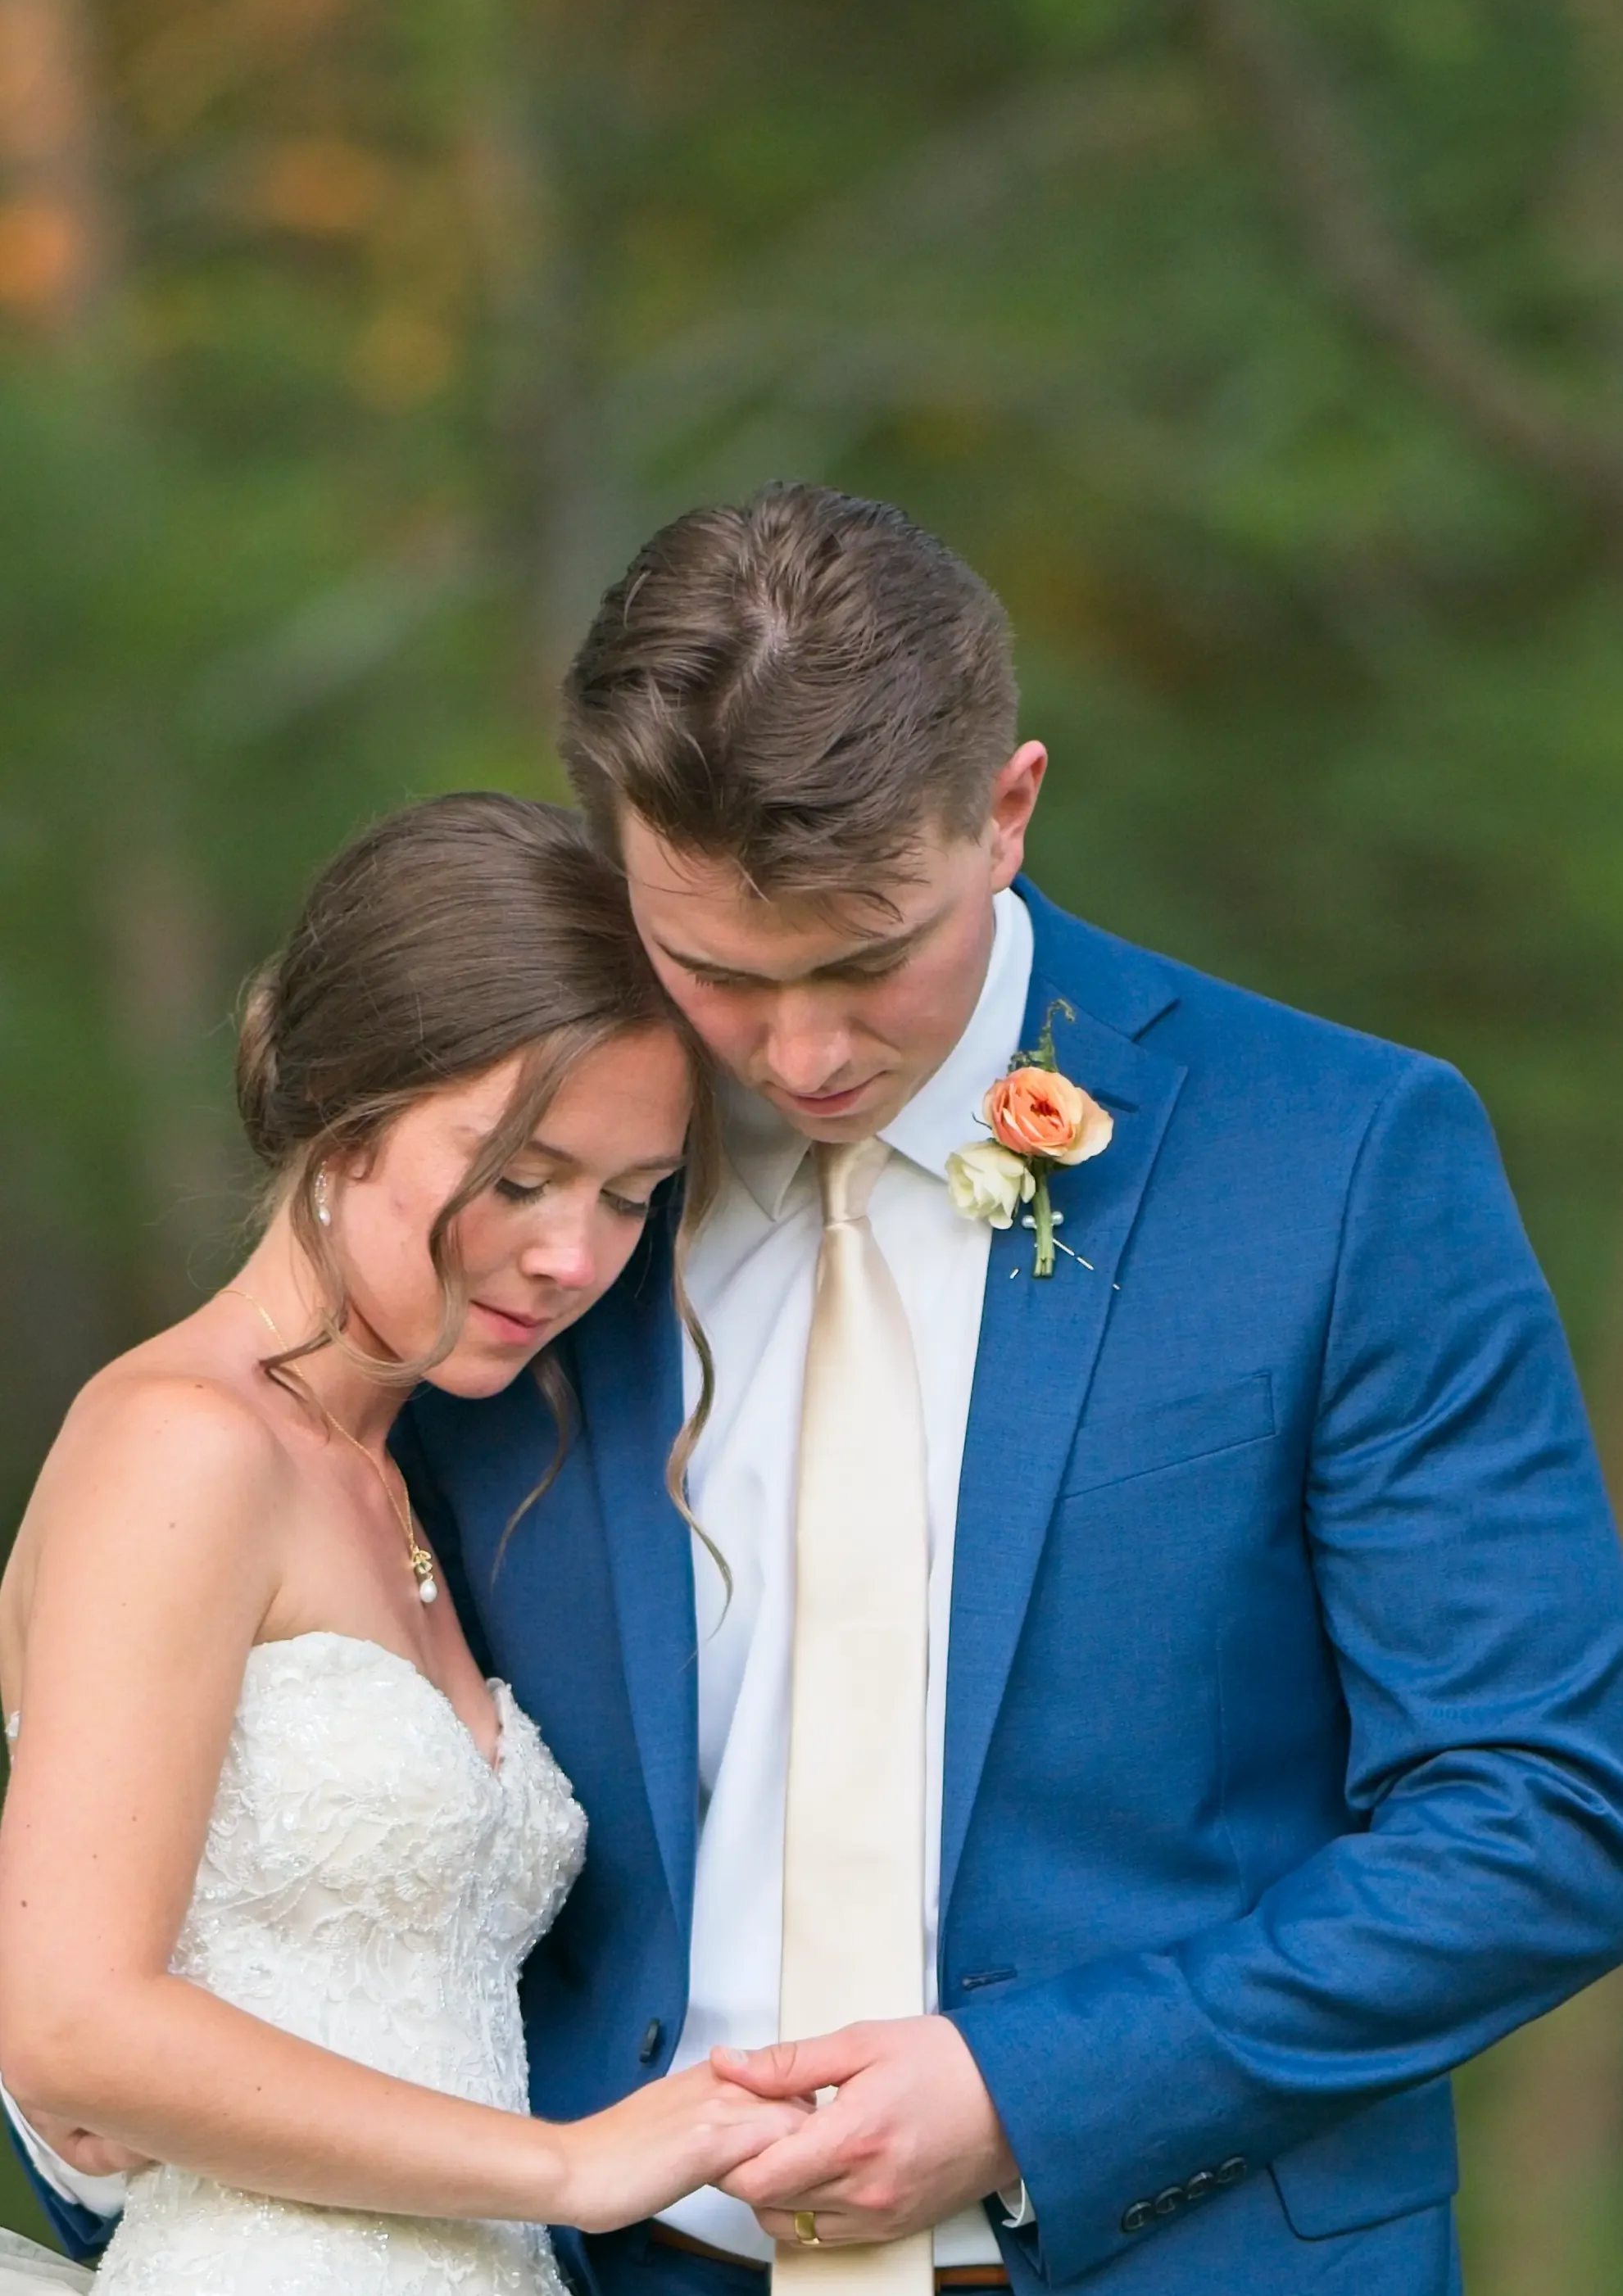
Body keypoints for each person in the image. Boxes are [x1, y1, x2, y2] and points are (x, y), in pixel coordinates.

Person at [18, 483, 1623, 2296]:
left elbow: (1536, 1813)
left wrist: (1030, 2088)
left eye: (870, 960)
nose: (800, 1051)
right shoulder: (549, 1212)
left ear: (1005, 811)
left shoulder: (1333, 1160)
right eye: (714, 969)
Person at [0, 793, 806, 2295]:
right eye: (518, 1177)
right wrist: (579, 2163)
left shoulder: (404, 1465)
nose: (573, 1257)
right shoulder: (182, 1443)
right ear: (341, 1101)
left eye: (632, 1198)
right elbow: (66, 2025)